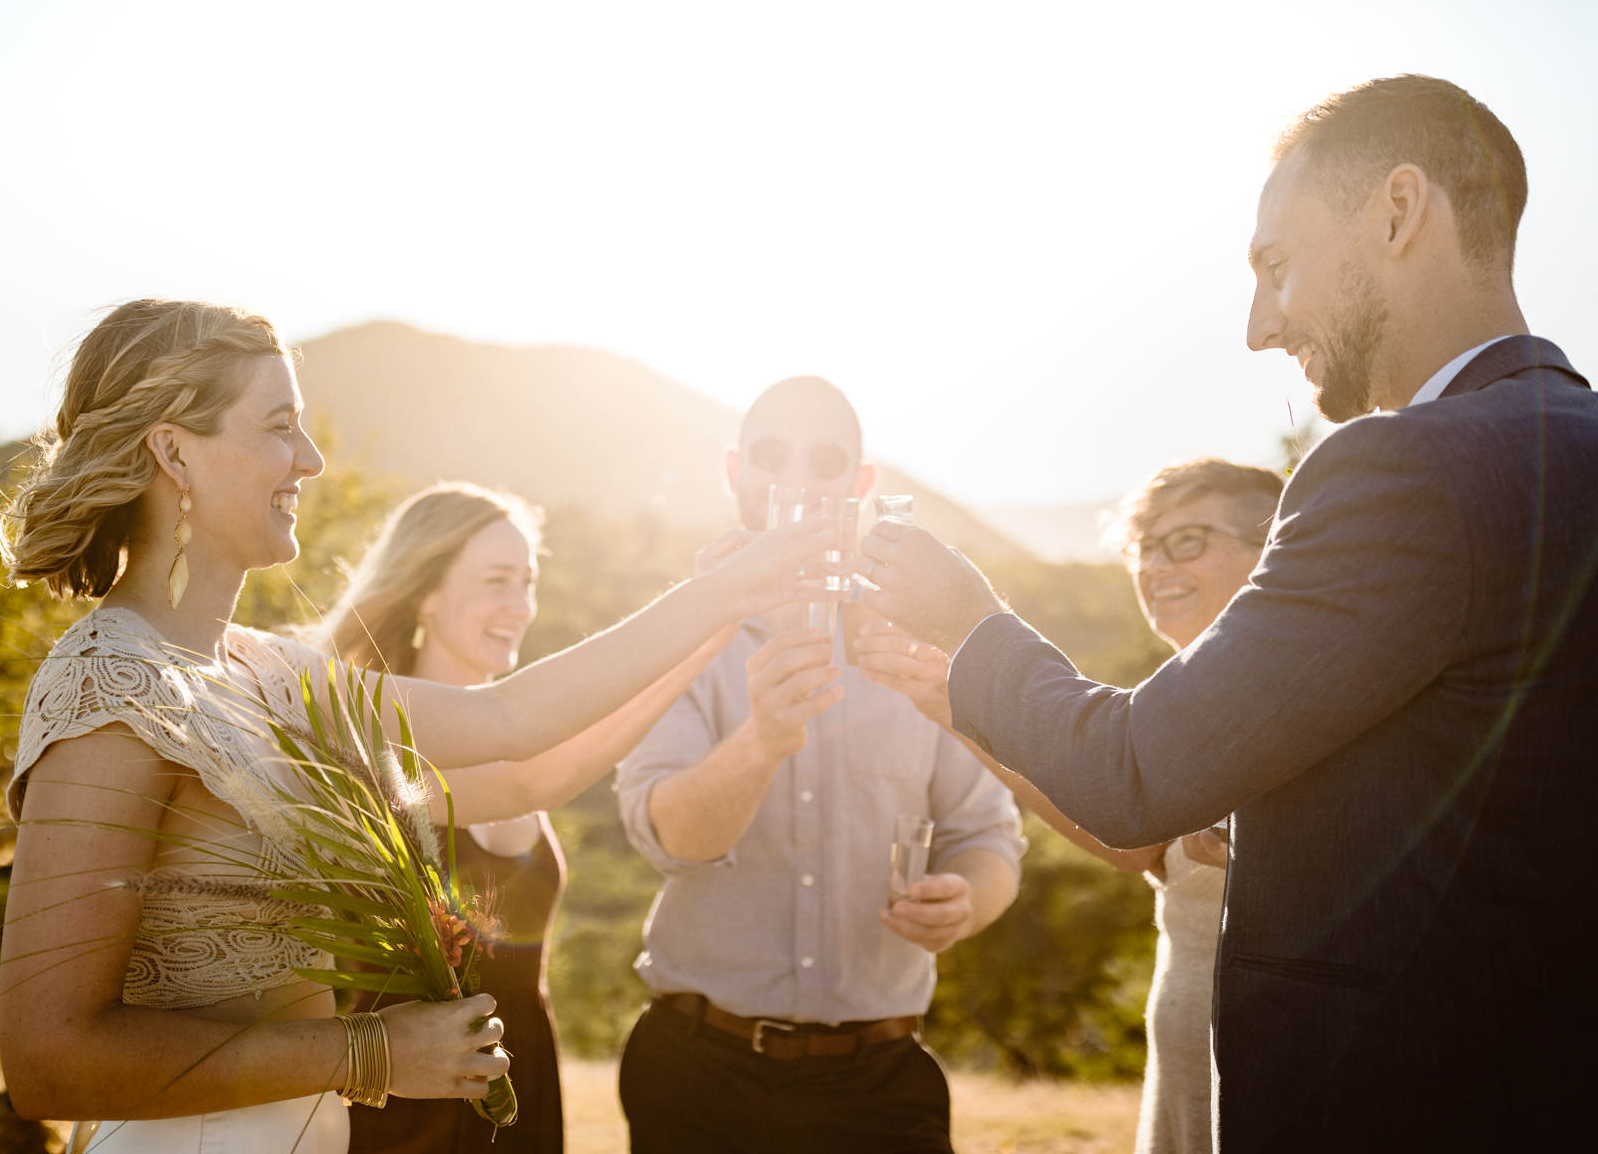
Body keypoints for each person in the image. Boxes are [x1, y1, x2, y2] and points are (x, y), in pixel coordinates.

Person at [860, 76, 1598, 1151]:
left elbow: (1135, 773)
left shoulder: (1401, 471)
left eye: (1276, 265)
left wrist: (968, 621)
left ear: (1398, 213)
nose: (1261, 327)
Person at [0, 300, 827, 1153]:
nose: (311, 461)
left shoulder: (271, 671)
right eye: (280, 427)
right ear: (174, 451)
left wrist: (723, 597)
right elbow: (47, 1059)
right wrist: (373, 1052)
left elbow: (514, 718)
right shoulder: (109, 692)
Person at [614, 376, 1028, 1153]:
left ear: (860, 485)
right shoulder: (676, 638)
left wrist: (966, 899)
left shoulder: (916, 645)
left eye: (825, 461)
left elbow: (991, 838)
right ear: (735, 472)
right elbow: (667, 836)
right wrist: (762, 740)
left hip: (882, 1080)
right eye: (772, 456)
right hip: (697, 1072)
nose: (797, 482)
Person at [855, 458, 1282, 1154]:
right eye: (1144, 546)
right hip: (1189, 1070)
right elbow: (1141, 845)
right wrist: (949, 703)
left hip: (1261, 1067)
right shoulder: (1182, 695)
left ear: (1274, 549)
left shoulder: (1287, 694)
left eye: (1188, 541)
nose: (1156, 567)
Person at [314, 483, 726, 1154]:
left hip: (522, 1083)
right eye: (495, 581)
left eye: (528, 581)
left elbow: (560, 745)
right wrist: (712, 612)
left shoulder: (516, 740)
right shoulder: (379, 733)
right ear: (426, 592)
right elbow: (548, 762)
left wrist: (715, 627)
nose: (519, 605)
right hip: (410, 1107)